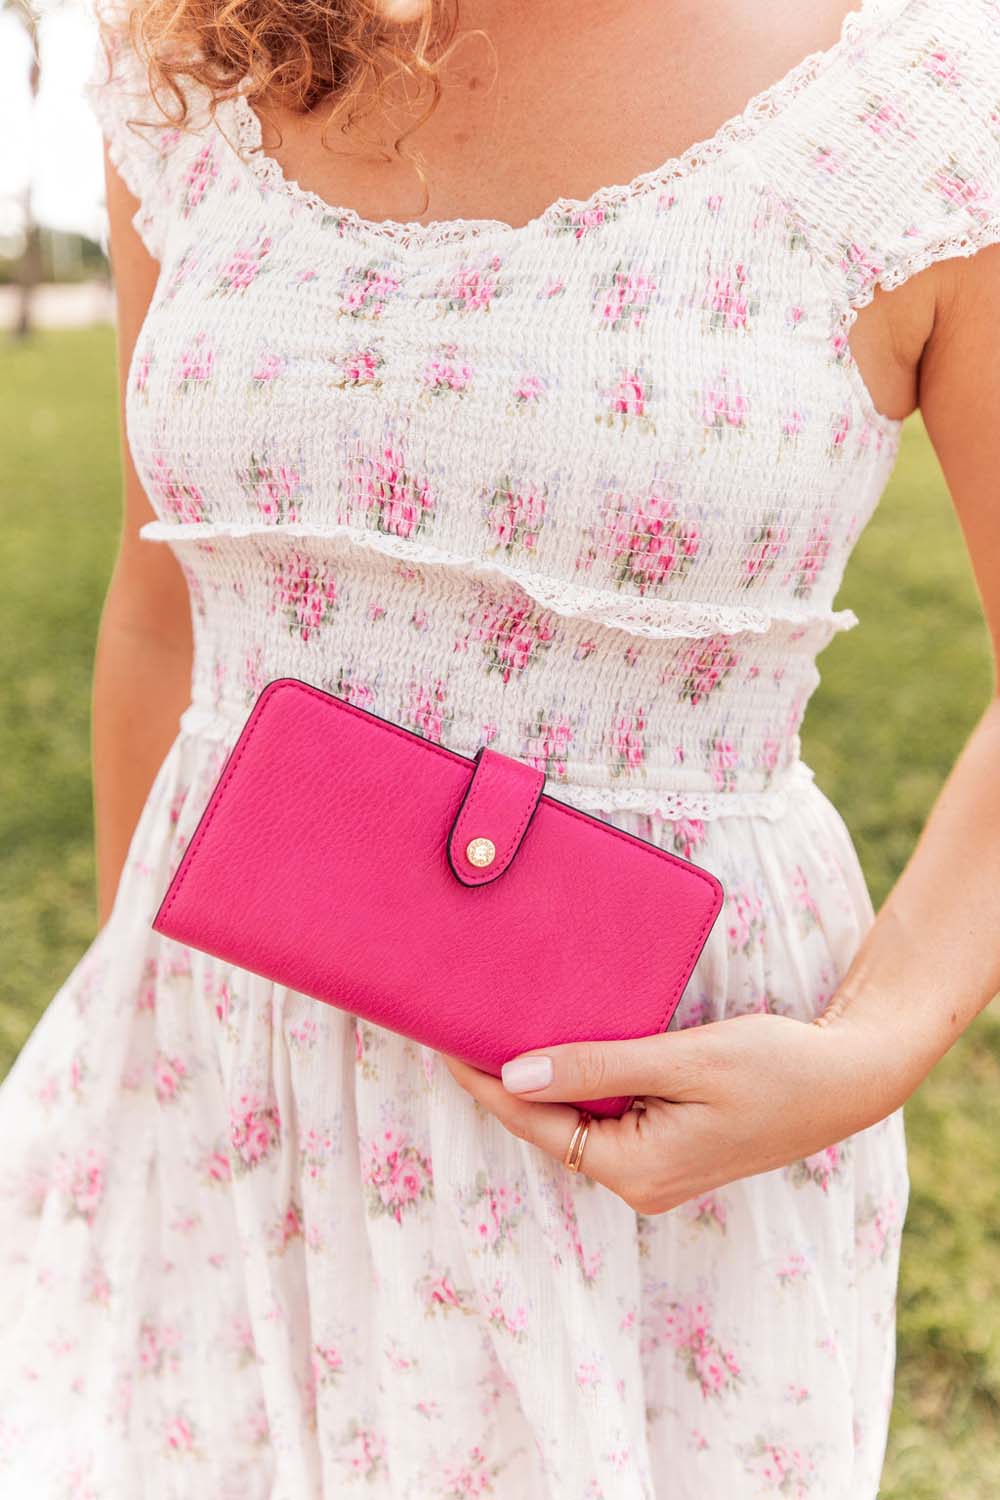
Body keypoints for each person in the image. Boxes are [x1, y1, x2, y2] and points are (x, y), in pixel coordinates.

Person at [1, 0, 998, 1493]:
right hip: (209, 1077)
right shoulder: (199, 58)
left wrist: (872, 1050)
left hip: (650, 1125)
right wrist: (152, 995)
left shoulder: (921, 110)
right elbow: (164, 605)